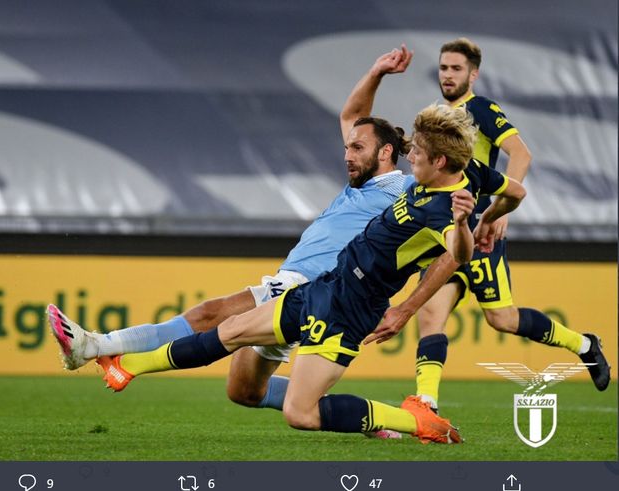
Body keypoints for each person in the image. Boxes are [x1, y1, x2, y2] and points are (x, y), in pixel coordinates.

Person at [49, 103, 527, 444]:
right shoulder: (472, 176)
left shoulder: (441, 204)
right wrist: (495, 215)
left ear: (437, 162)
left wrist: (468, 224)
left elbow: (457, 256)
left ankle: (416, 422)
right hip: (328, 284)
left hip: (350, 308)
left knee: (297, 409)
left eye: (417, 150)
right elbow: (517, 191)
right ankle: (126, 365)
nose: (410, 153)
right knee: (235, 352)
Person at [49, 47, 416, 419]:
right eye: (347, 147)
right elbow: (352, 116)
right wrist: (376, 72)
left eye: (357, 147)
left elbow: (449, 197)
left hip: (312, 285)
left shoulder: (406, 191)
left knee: (211, 314)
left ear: (385, 152)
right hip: (299, 288)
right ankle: (372, 418)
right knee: (244, 390)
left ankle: (95, 345)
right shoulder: (360, 182)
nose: (347, 155)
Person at [349, 39, 610, 413]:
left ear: (473, 74)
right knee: (431, 313)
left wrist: (498, 214)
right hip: (442, 233)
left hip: (480, 233)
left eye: (456, 68)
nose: (448, 75)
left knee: (501, 319)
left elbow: (521, 154)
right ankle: (427, 404)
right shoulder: (439, 120)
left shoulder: (481, 110)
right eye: (443, 68)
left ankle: (584, 345)